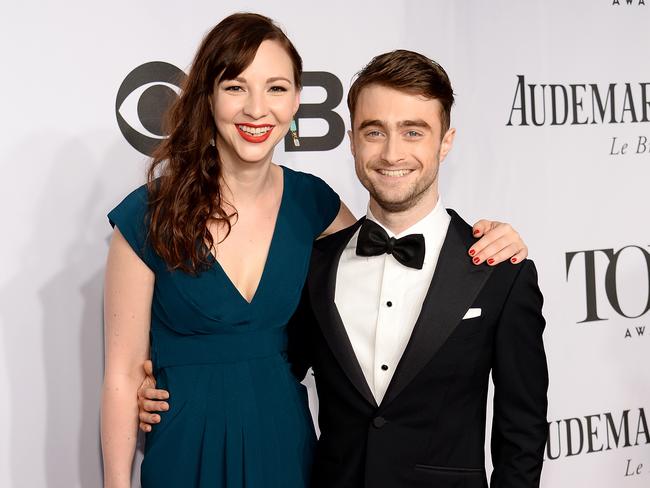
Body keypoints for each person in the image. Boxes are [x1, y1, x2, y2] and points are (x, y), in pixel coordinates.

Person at [104, 13, 529, 488]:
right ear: (208, 95)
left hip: (285, 449)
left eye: (277, 88)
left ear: (297, 101)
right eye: (236, 87)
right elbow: (122, 375)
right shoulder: (148, 214)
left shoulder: (315, 205)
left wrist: (494, 236)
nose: (257, 108)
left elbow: (390, 239)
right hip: (188, 448)